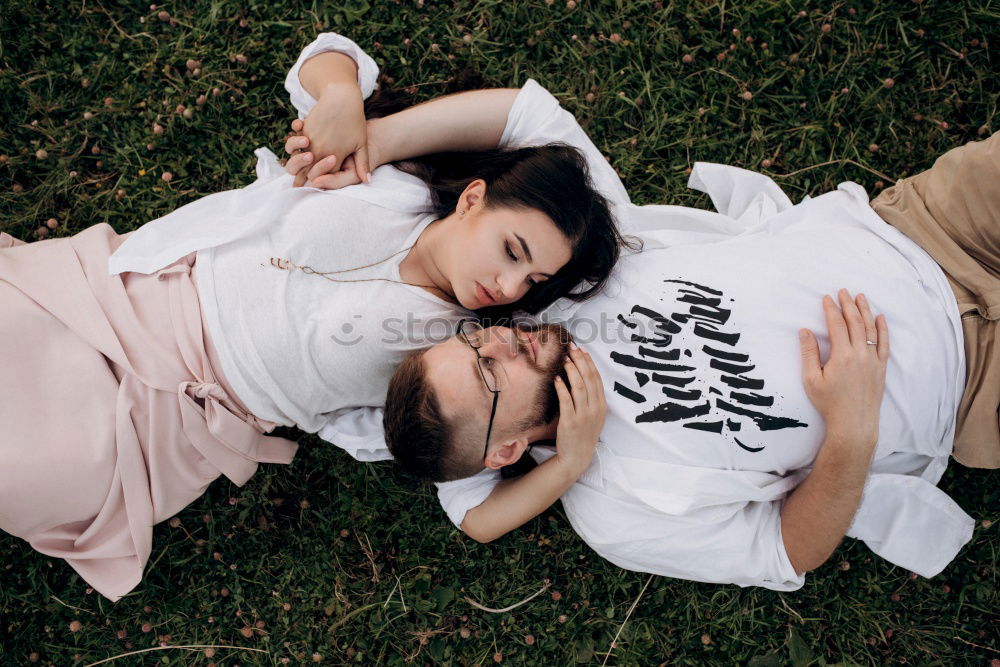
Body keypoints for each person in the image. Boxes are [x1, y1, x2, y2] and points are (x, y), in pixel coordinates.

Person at [0, 34, 627, 600]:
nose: (511, 286)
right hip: (135, 293)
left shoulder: (461, 356)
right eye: (513, 252)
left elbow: (475, 516)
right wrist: (343, 99)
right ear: (472, 200)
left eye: (534, 282)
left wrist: (569, 462)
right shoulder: (392, 182)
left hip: (175, 415)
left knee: (25, 466)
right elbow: (332, 58)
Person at [383, 134, 999, 590]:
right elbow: (787, 551)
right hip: (970, 390)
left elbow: (527, 118)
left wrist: (378, 132)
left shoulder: (560, 284)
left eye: (471, 342)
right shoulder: (614, 513)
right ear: (506, 452)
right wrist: (852, 430)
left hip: (924, 226)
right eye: (487, 372)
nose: (498, 340)